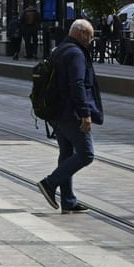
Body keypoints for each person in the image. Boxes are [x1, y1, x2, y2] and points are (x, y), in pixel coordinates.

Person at [36, 19, 102, 215]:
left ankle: (68, 201)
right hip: (71, 113)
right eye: (90, 36)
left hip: (56, 111)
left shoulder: (59, 49)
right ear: (81, 33)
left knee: (66, 154)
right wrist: (85, 113)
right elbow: (77, 84)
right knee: (86, 154)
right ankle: (50, 183)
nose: (90, 41)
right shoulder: (75, 53)